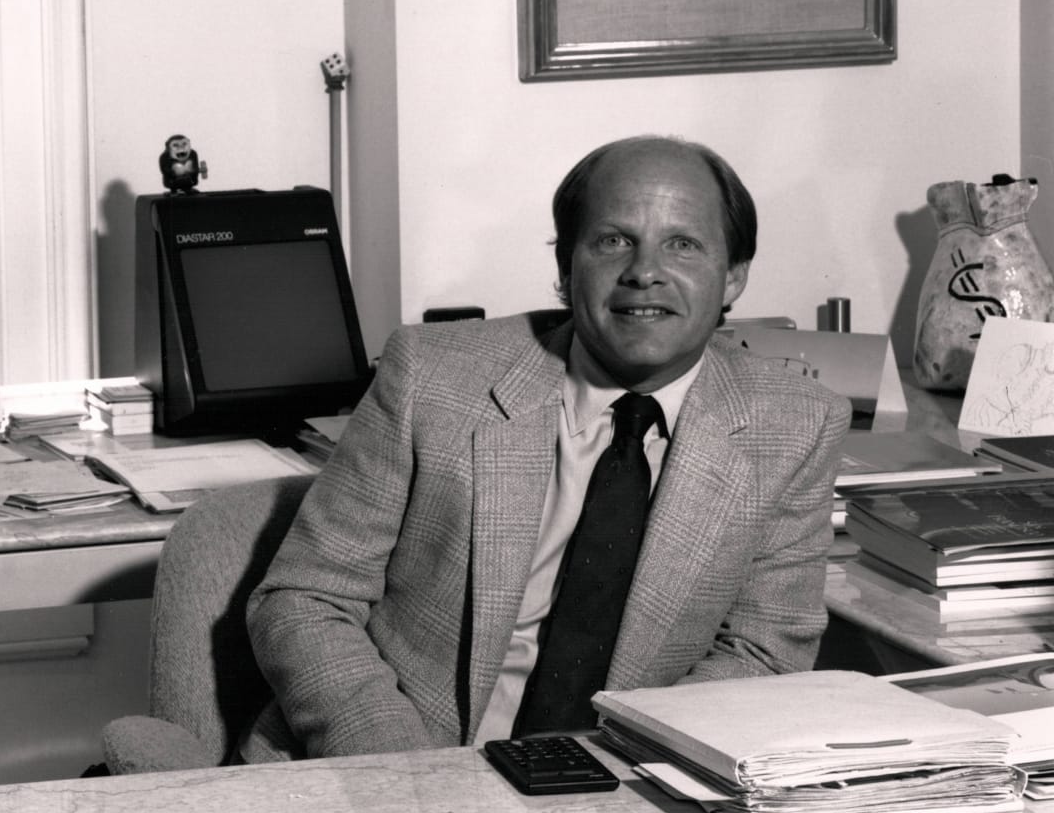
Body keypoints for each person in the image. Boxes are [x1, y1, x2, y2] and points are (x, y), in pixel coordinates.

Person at [244, 134, 848, 757]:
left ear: (734, 277)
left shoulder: (796, 427)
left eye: (683, 245)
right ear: (565, 269)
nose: (644, 272)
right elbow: (304, 598)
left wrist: (619, 774)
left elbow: (764, 650)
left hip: (626, 789)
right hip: (389, 765)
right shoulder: (430, 377)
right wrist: (404, 773)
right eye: (613, 241)